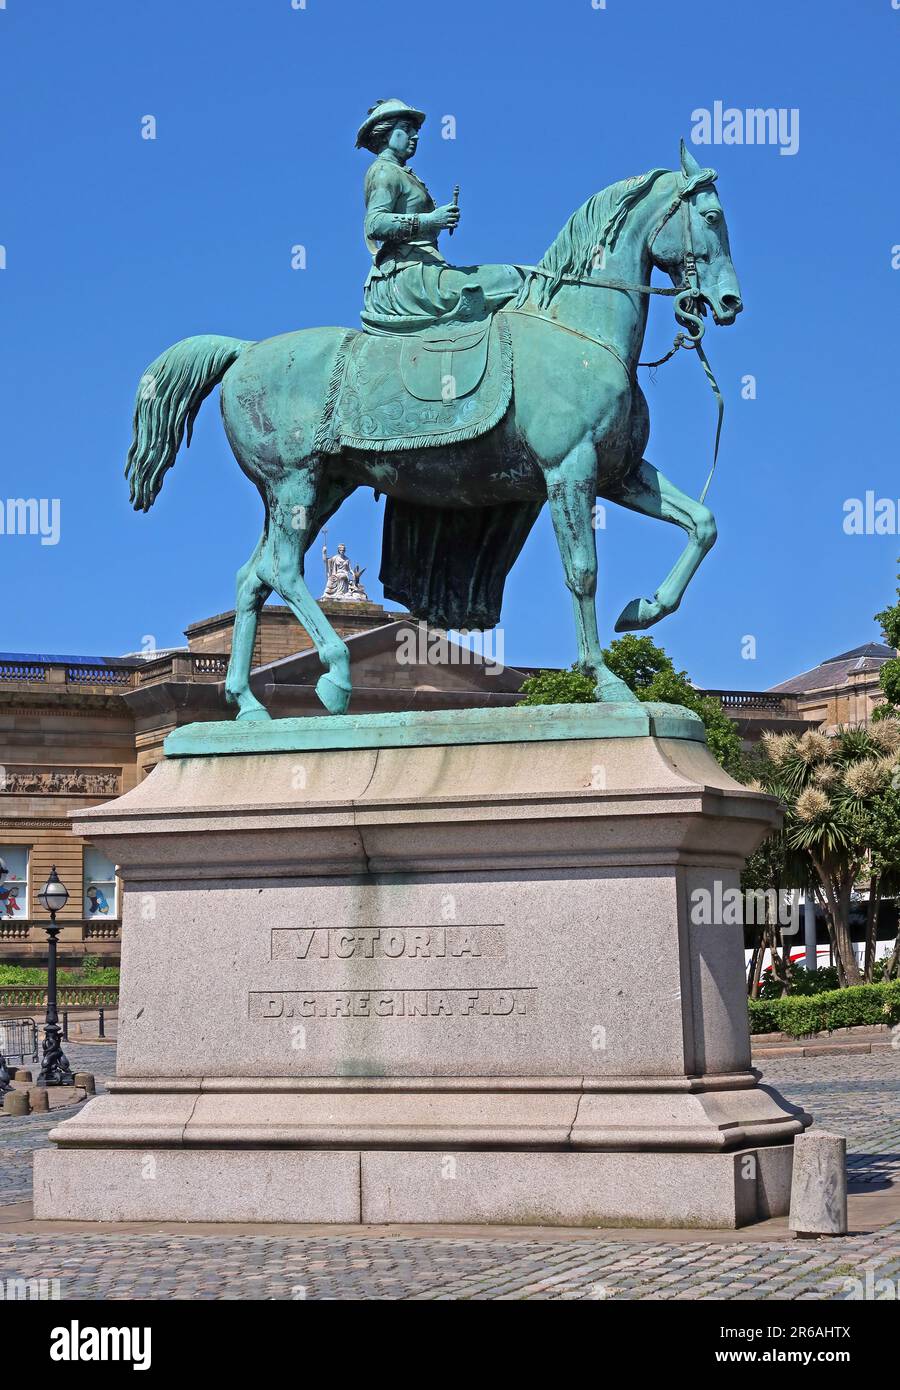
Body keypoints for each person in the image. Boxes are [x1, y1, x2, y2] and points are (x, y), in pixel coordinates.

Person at [356, 98, 521, 334]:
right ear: (384, 135)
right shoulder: (384, 171)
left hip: (423, 271)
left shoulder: (402, 172)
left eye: (415, 130)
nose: (415, 136)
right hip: (407, 277)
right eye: (405, 129)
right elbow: (375, 223)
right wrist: (432, 220)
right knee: (513, 279)